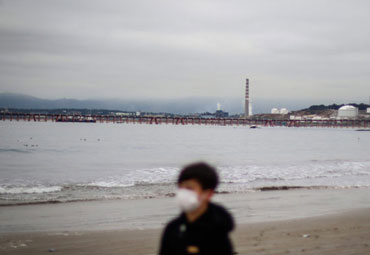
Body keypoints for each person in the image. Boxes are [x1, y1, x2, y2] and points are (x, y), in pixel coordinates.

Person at [159, 162, 234, 255]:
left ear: (208, 194)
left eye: (189, 188)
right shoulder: (172, 229)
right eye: (181, 188)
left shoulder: (218, 231)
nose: (183, 193)